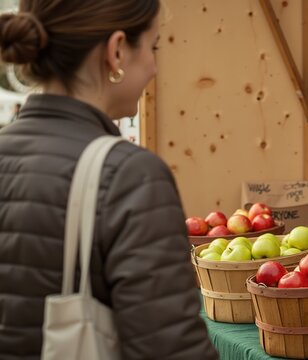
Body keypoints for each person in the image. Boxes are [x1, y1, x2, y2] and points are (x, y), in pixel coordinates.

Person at [0, 1, 218, 359]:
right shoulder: (129, 175)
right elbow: (171, 349)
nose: (153, 67)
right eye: (153, 47)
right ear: (117, 51)